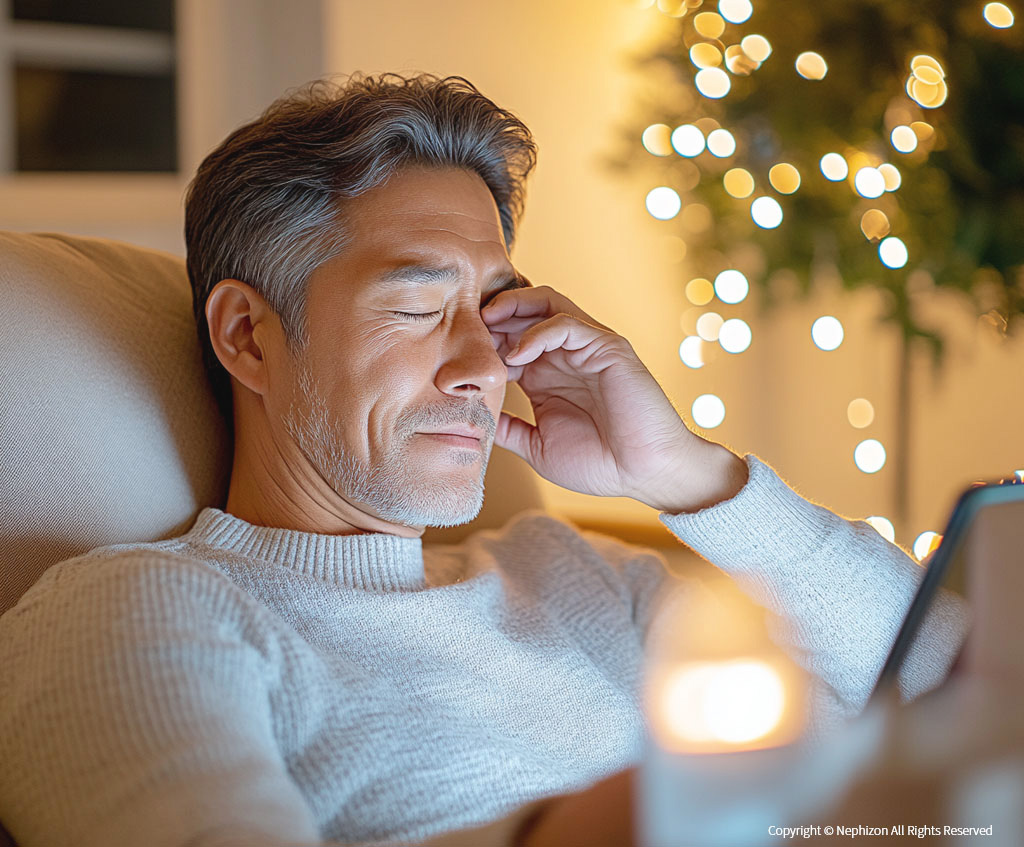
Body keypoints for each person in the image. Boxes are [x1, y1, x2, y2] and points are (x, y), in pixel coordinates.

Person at [0, 73, 964, 847]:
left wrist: (688, 475)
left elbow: (960, 704)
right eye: (418, 308)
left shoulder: (583, 582)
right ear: (249, 336)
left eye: (497, 312)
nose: (482, 367)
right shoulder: (138, 609)